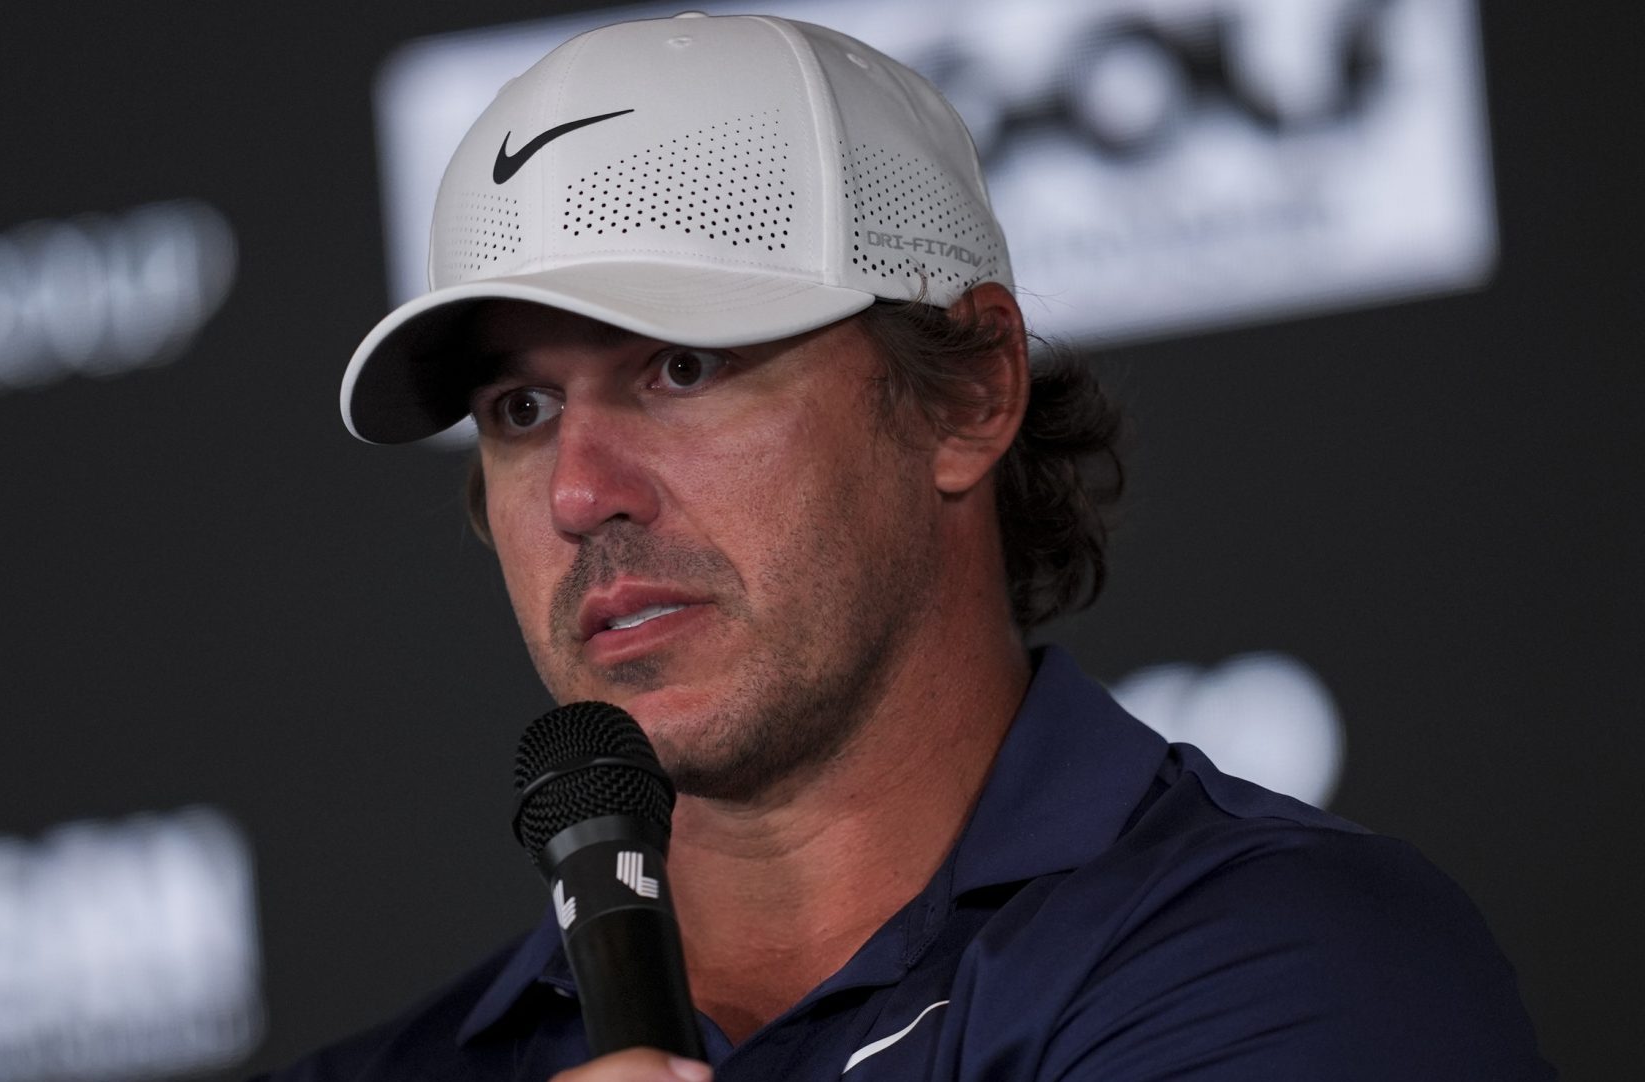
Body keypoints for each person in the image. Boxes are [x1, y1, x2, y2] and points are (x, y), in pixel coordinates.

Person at [263, 13, 1550, 1081]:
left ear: (970, 391)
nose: (579, 493)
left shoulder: (1285, 967)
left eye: (683, 363)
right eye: (519, 409)